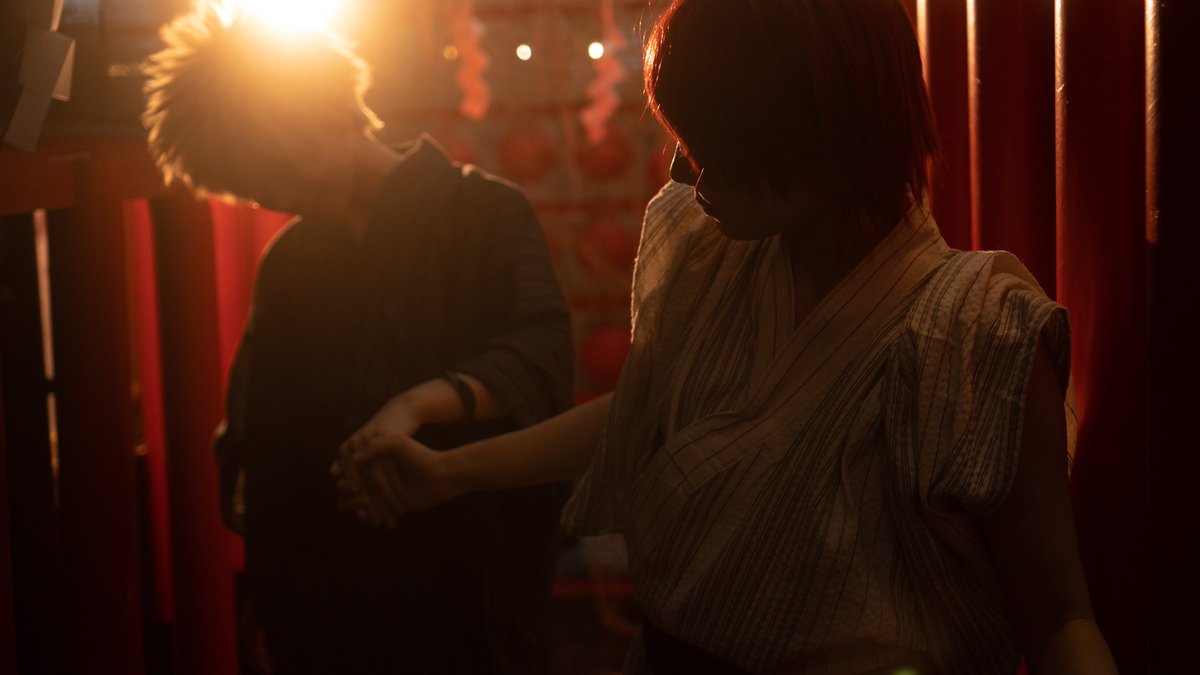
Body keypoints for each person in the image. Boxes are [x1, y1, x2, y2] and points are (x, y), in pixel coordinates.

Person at [338, 1, 1120, 674]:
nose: (687, 173)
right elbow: (646, 409)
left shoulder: (973, 328)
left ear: (821, 131)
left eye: (720, 146)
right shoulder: (712, 254)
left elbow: (1057, 617)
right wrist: (447, 472)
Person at [142, 7, 573, 674]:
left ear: (333, 109)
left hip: (466, 578)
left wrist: (418, 405)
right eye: (258, 190)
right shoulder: (290, 262)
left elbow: (538, 352)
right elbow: (262, 439)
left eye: (284, 167)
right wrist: (269, 593)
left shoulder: (485, 213)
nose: (283, 195)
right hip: (325, 597)